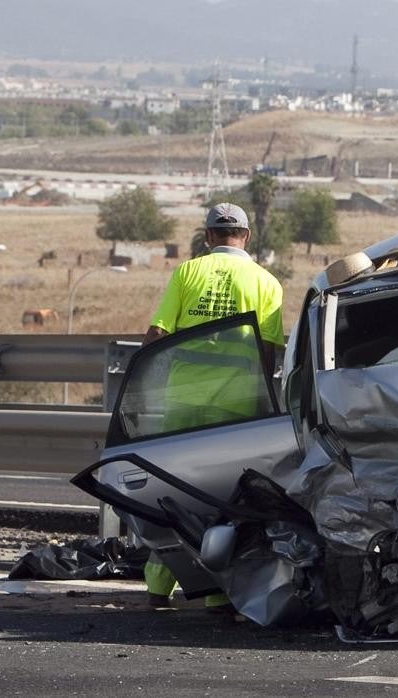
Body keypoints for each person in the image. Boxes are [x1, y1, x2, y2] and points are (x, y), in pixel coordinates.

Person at [141, 202, 285, 613]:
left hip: (182, 404)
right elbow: (269, 354)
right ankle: (220, 594)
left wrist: (139, 380)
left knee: (169, 496)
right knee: (224, 501)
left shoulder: (188, 272)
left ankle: (157, 588)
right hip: (234, 411)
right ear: (247, 236)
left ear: (207, 237)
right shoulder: (266, 282)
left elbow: (157, 333)